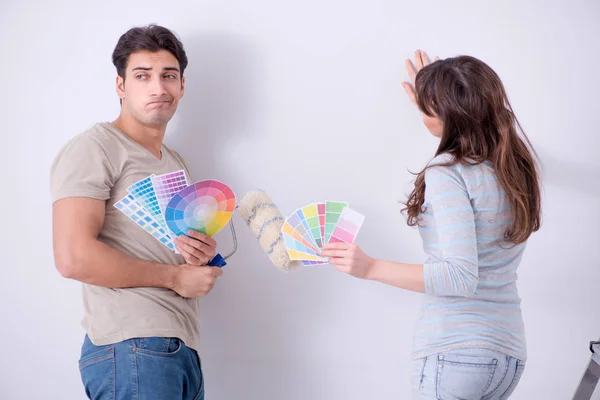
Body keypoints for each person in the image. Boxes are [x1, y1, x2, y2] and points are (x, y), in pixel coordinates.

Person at [322, 50, 541, 399]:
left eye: (429, 110)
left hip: (457, 352)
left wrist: (371, 267)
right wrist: (440, 99)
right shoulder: (513, 168)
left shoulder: (447, 173)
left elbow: (458, 276)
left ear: (448, 116)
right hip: (507, 356)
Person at [50, 24, 222, 400]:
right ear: (121, 86)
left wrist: (198, 254)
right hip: (131, 347)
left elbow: (165, 248)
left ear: (182, 86)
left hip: (179, 349)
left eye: (168, 76)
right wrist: (176, 278)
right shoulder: (95, 147)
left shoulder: (176, 162)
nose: (158, 88)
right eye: (142, 76)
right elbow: (73, 257)